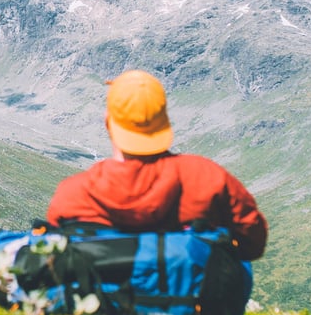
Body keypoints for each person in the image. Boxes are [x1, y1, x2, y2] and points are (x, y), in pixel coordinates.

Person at [46, 69, 267, 261]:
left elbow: (55, 251)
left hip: (101, 304)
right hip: (193, 305)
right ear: (164, 121)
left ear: (107, 122)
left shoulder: (72, 193)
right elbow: (253, 243)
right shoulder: (207, 176)